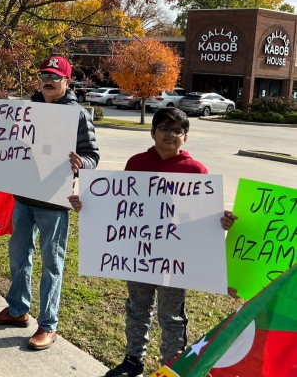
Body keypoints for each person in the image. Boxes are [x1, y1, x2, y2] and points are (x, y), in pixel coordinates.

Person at [67, 107, 238, 377]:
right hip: (139, 254)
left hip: (175, 258)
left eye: (178, 130)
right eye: (165, 129)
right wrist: (87, 206)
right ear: (153, 132)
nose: (171, 134)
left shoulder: (196, 170)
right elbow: (119, 206)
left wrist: (222, 220)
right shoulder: (136, 163)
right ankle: (133, 361)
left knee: (171, 315)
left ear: (186, 137)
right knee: (137, 307)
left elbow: (204, 214)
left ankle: (172, 367)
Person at [0, 55, 100, 351]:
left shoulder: (77, 115)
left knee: (52, 265)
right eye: (45, 75)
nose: (48, 81)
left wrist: (81, 162)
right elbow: (4, 142)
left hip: (53, 203)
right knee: (19, 256)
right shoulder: (25, 109)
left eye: (55, 77)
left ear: (67, 81)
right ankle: (18, 311)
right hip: (23, 198)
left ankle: (48, 325)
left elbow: (93, 157)